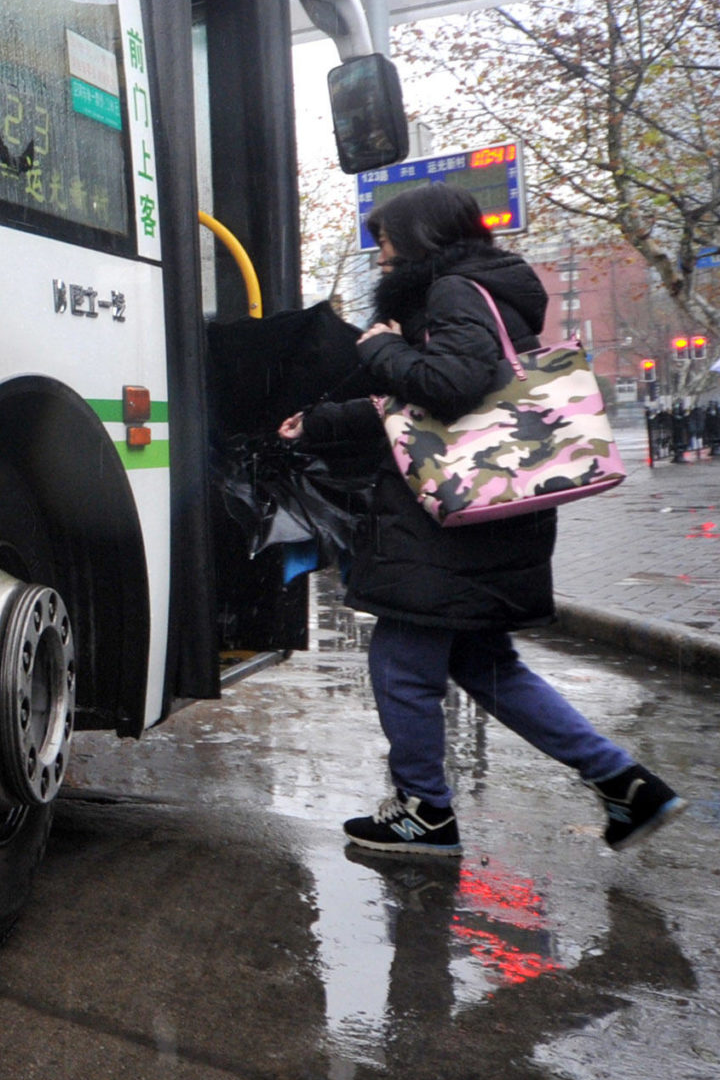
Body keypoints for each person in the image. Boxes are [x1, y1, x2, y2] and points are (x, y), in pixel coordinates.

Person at [279, 182, 685, 856]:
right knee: (487, 663)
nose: (379, 254)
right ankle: (625, 782)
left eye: (386, 240)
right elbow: (428, 411)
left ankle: (425, 810)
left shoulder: (454, 292)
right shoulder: (475, 291)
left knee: (401, 662)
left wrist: (377, 347)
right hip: (489, 514)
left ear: (422, 239)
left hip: (453, 521)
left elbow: (450, 385)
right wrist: (317, 424)